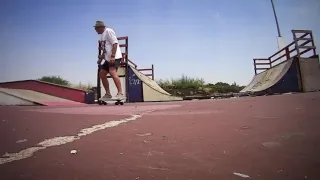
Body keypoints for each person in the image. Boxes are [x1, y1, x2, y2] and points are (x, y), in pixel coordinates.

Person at [94, 20, 125, 101]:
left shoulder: (108, 31)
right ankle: (108, 94)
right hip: (108, 58)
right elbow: (105, 49)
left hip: (115, 57)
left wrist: (113, 56)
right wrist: (101, 58)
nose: (95, 30)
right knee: (102, 74)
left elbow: (115, 43)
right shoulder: (102, 36)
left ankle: (120, 93)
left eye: (96, 28)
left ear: (100, 27)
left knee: (112, 71)